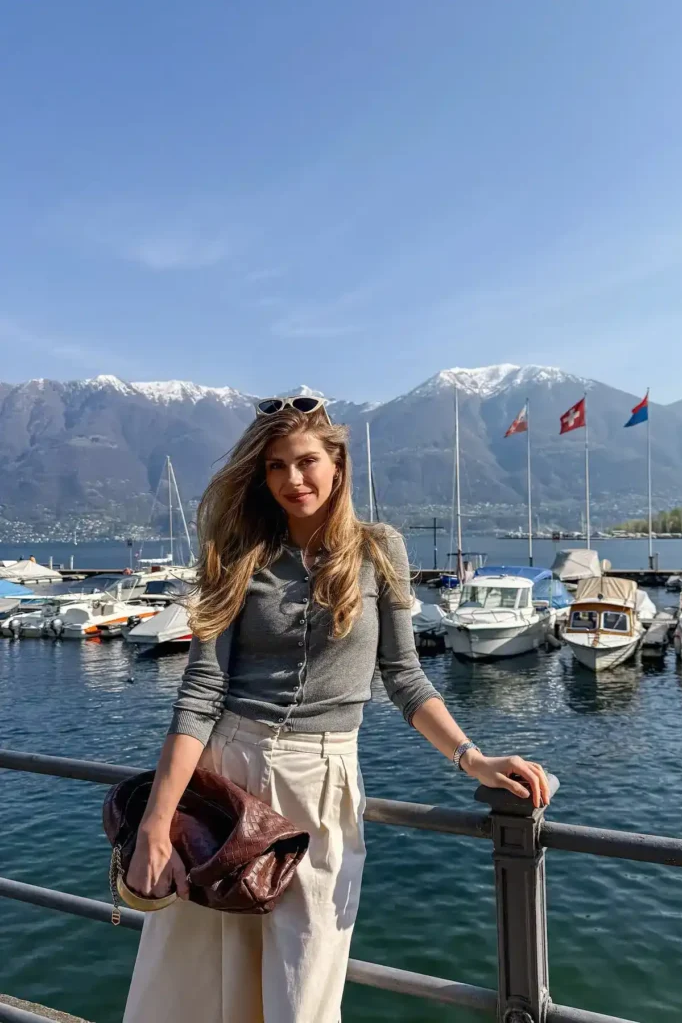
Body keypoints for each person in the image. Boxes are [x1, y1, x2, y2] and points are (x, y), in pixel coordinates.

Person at [123, 396, 549, 1023]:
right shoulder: (236, 555)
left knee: (305, 990)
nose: (292, 480)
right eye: (275, 466)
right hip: (228, 780)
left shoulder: (380, 551)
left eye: (306, 461)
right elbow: (200, 694)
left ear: (338, 463)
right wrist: (157, 824)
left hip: (324, 785)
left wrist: (472, 758)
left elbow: (404, 676)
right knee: (209, 986)